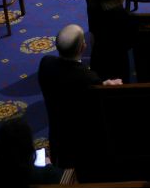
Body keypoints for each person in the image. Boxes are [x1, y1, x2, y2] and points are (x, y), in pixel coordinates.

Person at [38, 24, 120, 168]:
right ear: (83, 47)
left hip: (57, 135)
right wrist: (103, 85)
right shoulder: (88, 78)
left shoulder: (46, 64)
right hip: (81, 142)